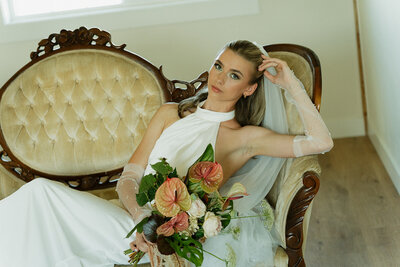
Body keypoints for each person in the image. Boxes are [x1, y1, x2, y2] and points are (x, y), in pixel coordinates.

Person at [0, 40, 333, 267]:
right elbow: (130, 176)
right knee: (38, 197)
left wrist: (292, 86)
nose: (218, 78)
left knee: (39, 196)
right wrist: (139, 216)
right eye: (218, 66)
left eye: (234, 75)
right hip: (133, 222)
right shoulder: (170, 113)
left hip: (166, 237)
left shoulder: (244, 138)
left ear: (248, 88)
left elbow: (321, 142)